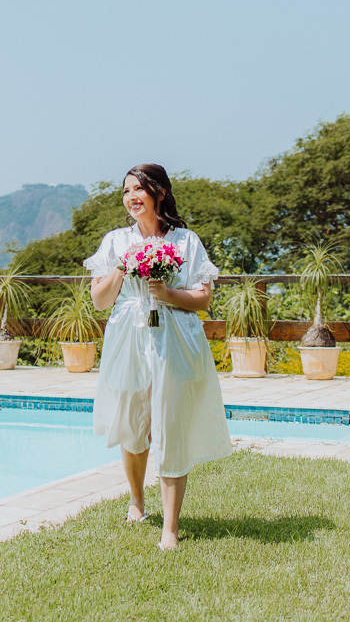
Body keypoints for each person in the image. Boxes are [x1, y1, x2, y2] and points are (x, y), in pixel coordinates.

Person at [85, 163, 232, 550]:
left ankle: (171, 526)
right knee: (134, 420)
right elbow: (100, 301)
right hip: (128, 337)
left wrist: (168, 294)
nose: (131, 197)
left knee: (170, 423)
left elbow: (202, 299)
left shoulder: (186, 242)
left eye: (139, 189)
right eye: (126, 191)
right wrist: (122, 265)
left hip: (176, 338)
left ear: (159, 193)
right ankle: (137, 501)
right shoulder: (116, 240)